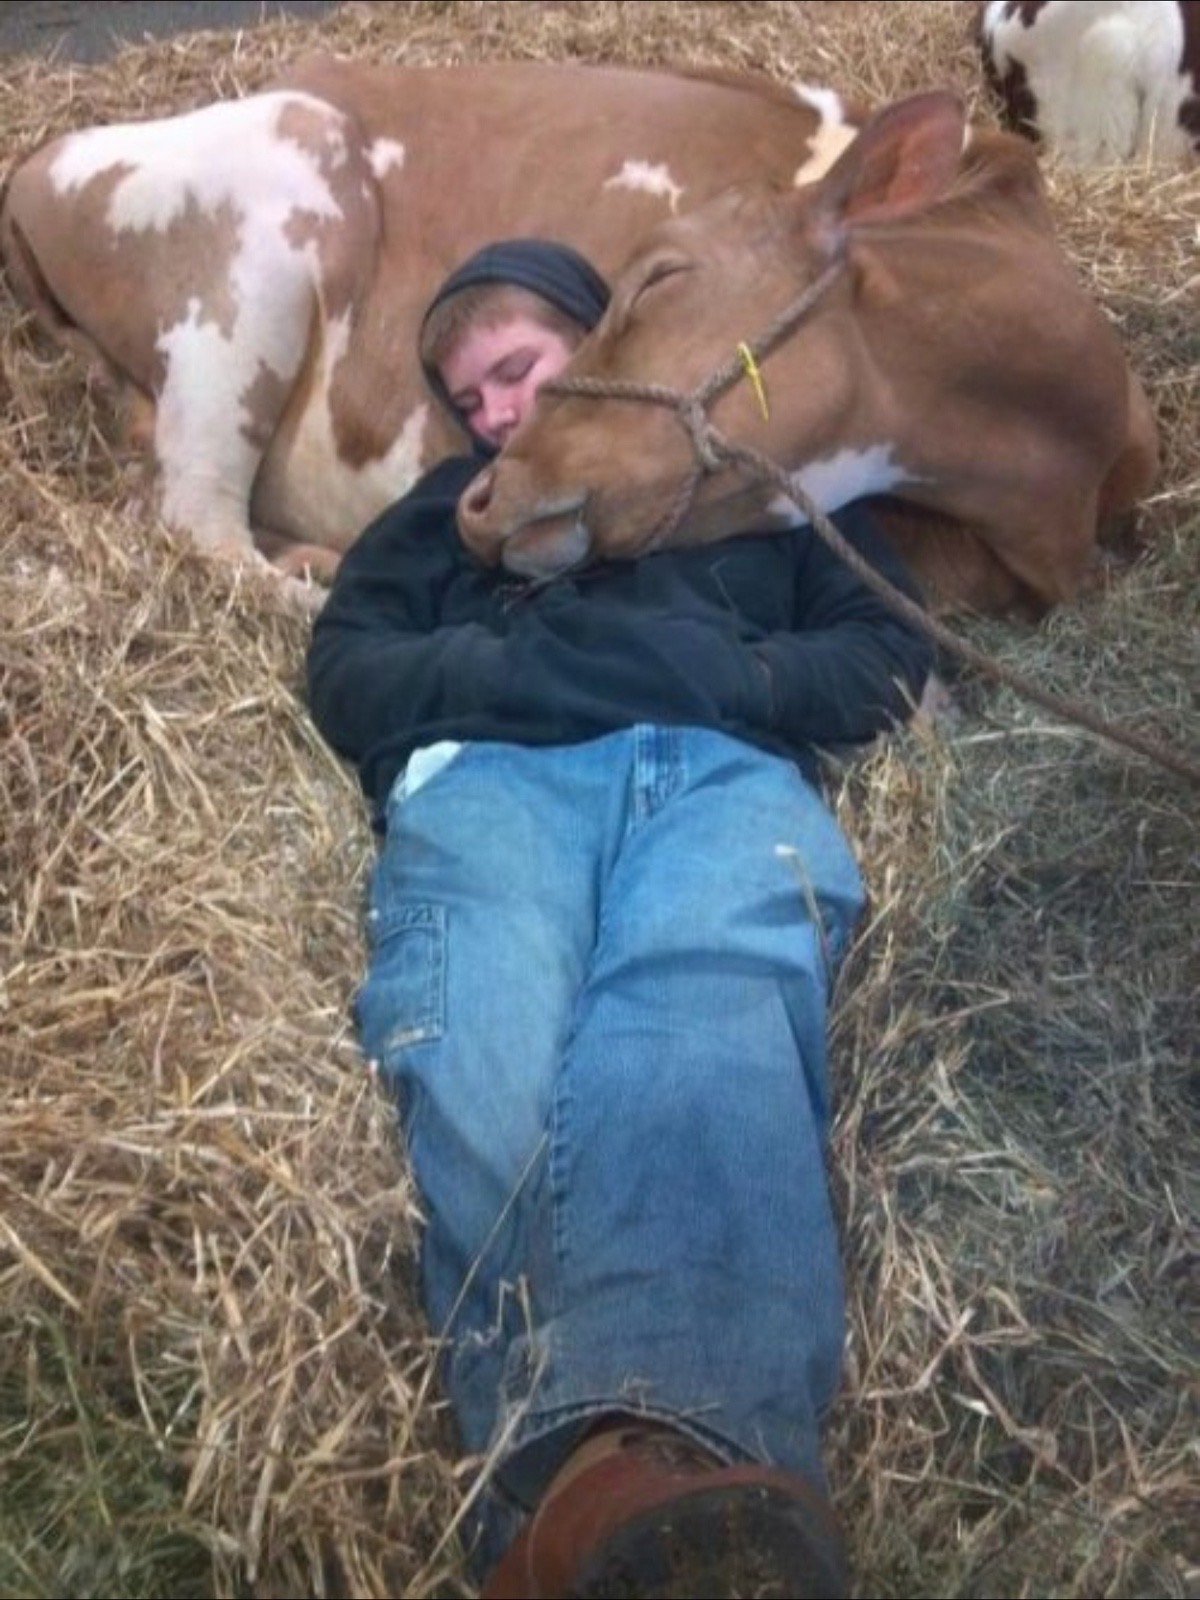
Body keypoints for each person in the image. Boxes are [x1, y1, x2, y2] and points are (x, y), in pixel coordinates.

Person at [305, 238, 934, 1599]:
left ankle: (592, 1497)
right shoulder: (446, 512)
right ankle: (683, 1497)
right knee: (485, 1024)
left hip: (719, 773)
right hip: (494, 781)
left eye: (517, 373)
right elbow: (349, 669)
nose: (494, 418)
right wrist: (519, 668)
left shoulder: (753, 480)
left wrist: (729, 670)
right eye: (467, 402)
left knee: (699, 997)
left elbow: (888, 651)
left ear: (597, 350)